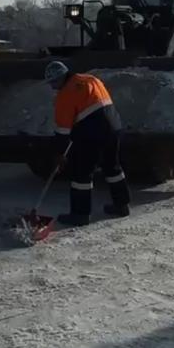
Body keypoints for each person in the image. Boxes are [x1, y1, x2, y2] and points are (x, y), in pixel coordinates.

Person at [45, 60, 130, 227]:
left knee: (81, 173)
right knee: (112, 167)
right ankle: (122, 205)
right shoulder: (91, 79)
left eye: (53, 82)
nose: (52, 87)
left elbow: (63, 130)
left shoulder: (65, 95)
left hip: (93, 134)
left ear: (61, 78)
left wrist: (59, 154)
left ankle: (80, 215)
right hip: (113, 127)